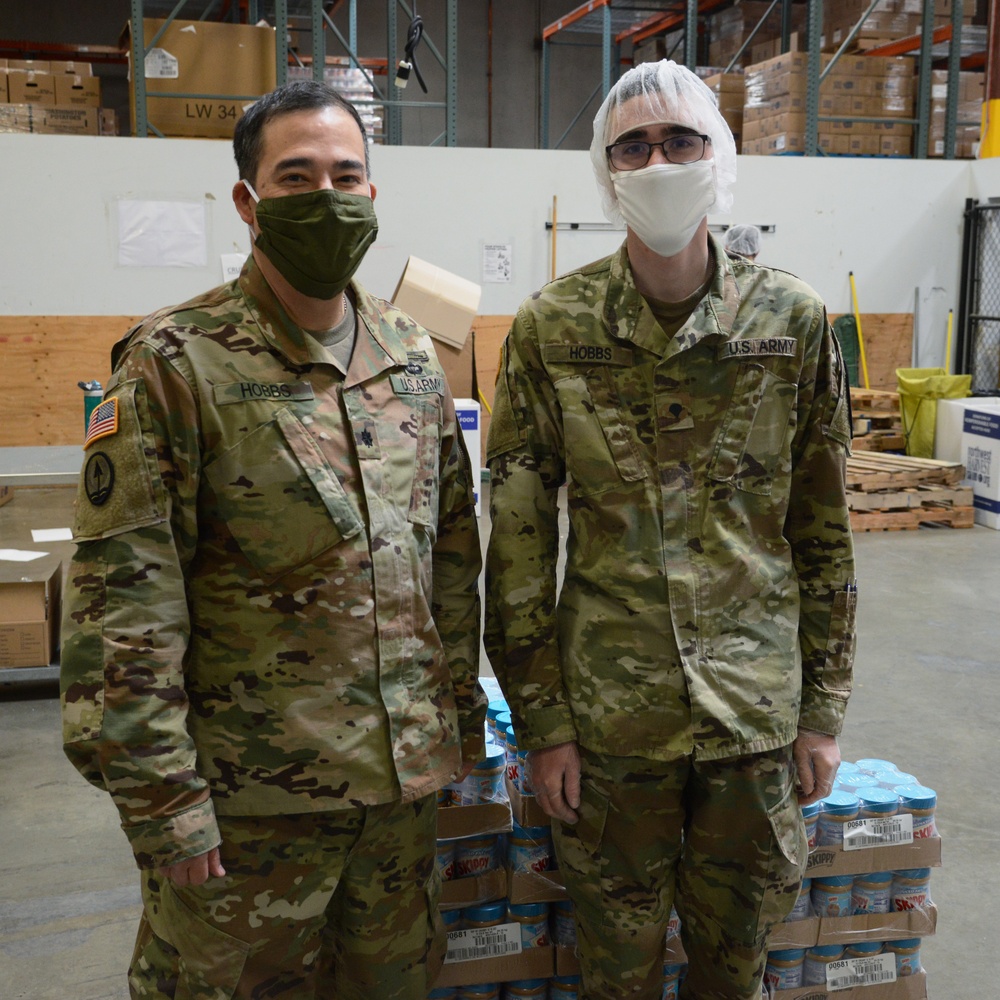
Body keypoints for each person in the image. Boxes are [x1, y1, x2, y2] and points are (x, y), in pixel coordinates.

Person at [60, 80, 486, 1000]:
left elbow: (449, 557)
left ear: (372, 195)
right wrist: (164, 803)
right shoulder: (176, 362)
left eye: (345, 175)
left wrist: (455, 736)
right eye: (295, 177)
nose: (325, 195)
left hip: (396, 805)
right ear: (249, 202)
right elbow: (122, 607)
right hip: (244, 815)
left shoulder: (411, 357)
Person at [484, 60, 856, 1000]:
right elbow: (520, 551)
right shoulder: (550, 330)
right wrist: (544, 726)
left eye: (681, 141)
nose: (658, 161)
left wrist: (822, 712)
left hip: (755, 720)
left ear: (718, 158)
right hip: (611, 724)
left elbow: (822, 529)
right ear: (608, 170)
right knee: (617, 970)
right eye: (634, 146)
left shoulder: (793, 321)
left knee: (736, 966)